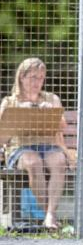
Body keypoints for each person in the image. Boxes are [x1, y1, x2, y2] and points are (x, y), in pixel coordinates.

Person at [0, 57, 72, 230]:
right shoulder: (9, 101)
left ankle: (49, 215)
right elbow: (1, 134)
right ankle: (50, 215)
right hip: (21, 148)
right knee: (33, 162)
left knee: (59, 161)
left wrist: (52, 112)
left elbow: (62, 127)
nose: (37, 82)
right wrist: (17, 113)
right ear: (22, 78)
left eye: (41, 78)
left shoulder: (51, 98)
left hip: (49, 145)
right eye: (33, 77)